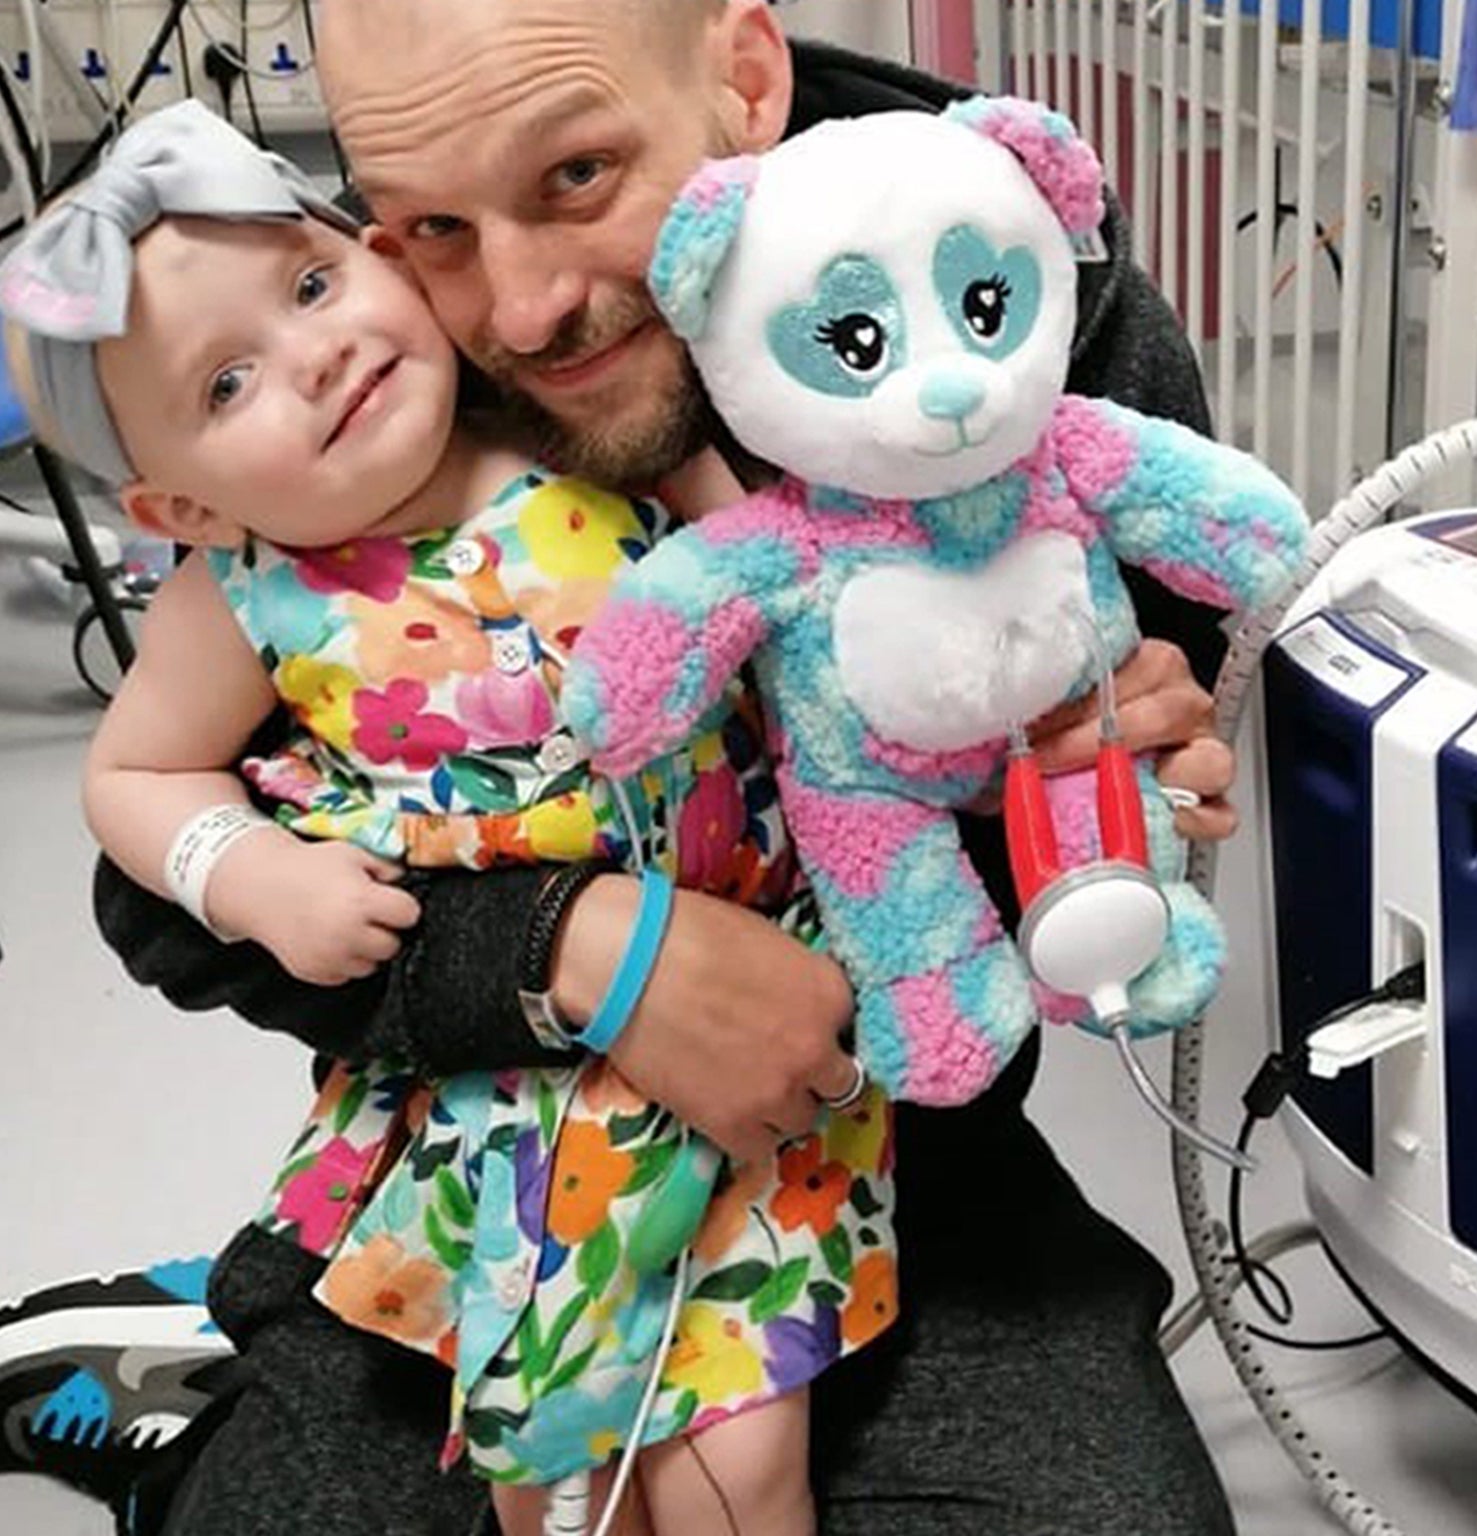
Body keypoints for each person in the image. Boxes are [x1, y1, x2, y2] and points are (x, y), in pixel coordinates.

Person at [81, 2, 1243, 1532]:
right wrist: (565, 950)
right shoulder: (381, 399)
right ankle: (172, 1386)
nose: (522, 305)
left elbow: (1075, 844)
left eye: (574, 177)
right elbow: (155, 880)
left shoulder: (1008, 284)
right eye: (427, 224)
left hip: (882, 1142)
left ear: (747, 79)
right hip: (482, 1143)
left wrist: (1098, 797)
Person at [4, 101, 902, 1536]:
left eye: (310, 288)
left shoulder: (581, 430)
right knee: (547, 1477)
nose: (316, 358)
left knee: (740, 1465)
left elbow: (782, 584)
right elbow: (133, 781)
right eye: (230, 384)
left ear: (376, 258)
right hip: (507, 1111)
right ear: (179, 505)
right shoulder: (240, 601)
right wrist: (249, 876)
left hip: (757, 1044)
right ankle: (182, 1374)